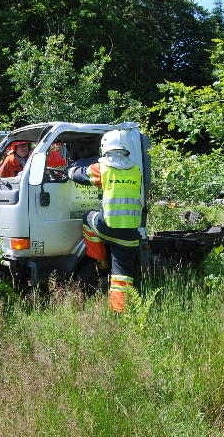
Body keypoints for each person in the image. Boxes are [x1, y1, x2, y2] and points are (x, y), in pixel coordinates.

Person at [68, 130, 143, 312]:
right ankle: (120, 310)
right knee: (122, 274)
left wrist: (68, 169)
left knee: (88, 217)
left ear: (105, 147)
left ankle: (100, 261)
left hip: (108, 226)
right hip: (131, 231)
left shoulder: (102, 168)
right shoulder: (135, 169)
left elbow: (78, 175)